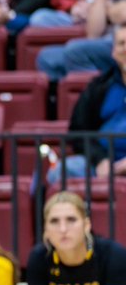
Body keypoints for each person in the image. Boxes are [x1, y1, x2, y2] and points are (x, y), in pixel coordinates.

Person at [49, 24, 126, 185]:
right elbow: (78, 132)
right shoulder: (99, 87)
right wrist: (100, 159)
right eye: (121, 44)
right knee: (62, 171)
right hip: (104, 165)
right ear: (113, 52)